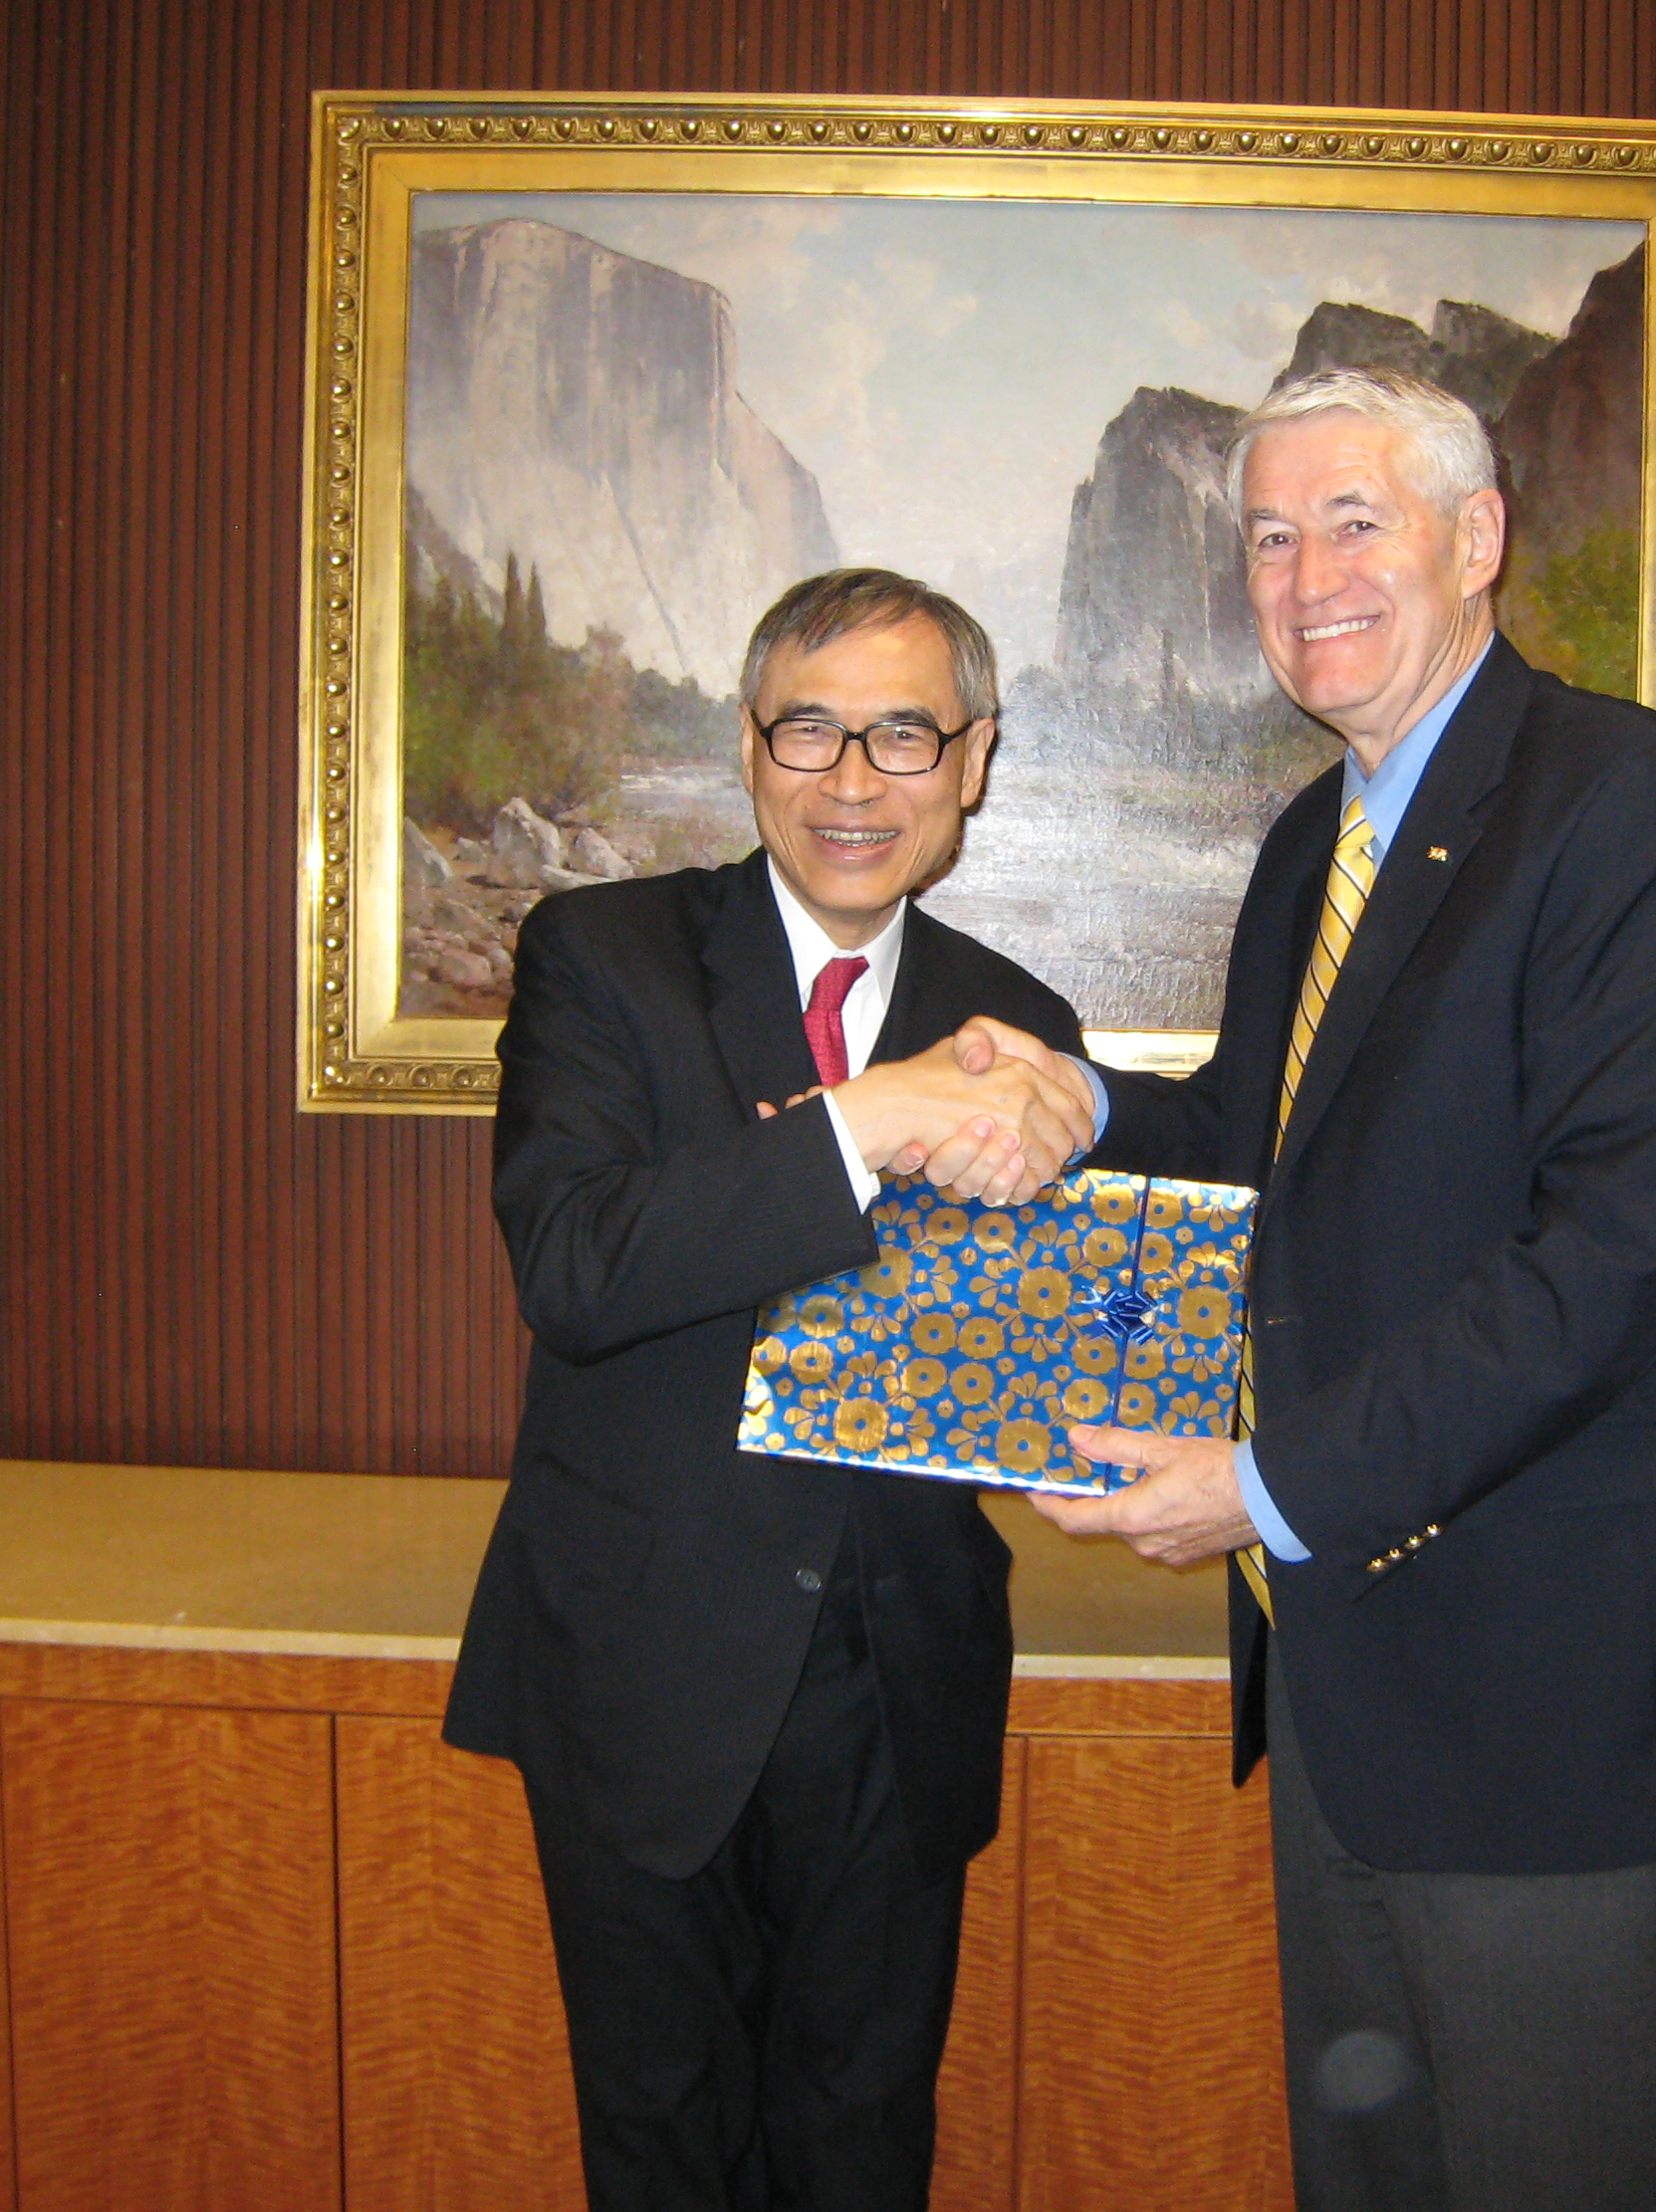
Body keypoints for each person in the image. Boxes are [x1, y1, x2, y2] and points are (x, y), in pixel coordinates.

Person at [1028, 369, 1656, 2211]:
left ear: (1478, 540)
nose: (1306, 579)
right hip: (1356, 1676)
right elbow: (1261, 1144)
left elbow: (1609, 1262)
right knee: (1371, 2172)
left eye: (1353, 523)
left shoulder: (1629, 813)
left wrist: (1261, 1486)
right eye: (1271, 539)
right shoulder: (1319, 838)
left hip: (1546, 1687)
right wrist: (1069, 1106)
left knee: (1553, 2175)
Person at [443, 567, 1098, 2212]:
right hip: (643, 1677)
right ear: (748, 750)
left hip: (897, 1691)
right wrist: (858, 1125)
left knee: (863, 2144)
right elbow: (579, 1270)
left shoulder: (1023, 1031)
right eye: (809, 728)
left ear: (976, 759)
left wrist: (1114, 1423)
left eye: (902, 733)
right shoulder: (604, 955)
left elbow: (1008, 1366)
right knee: (662, 2146)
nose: (854, 779)